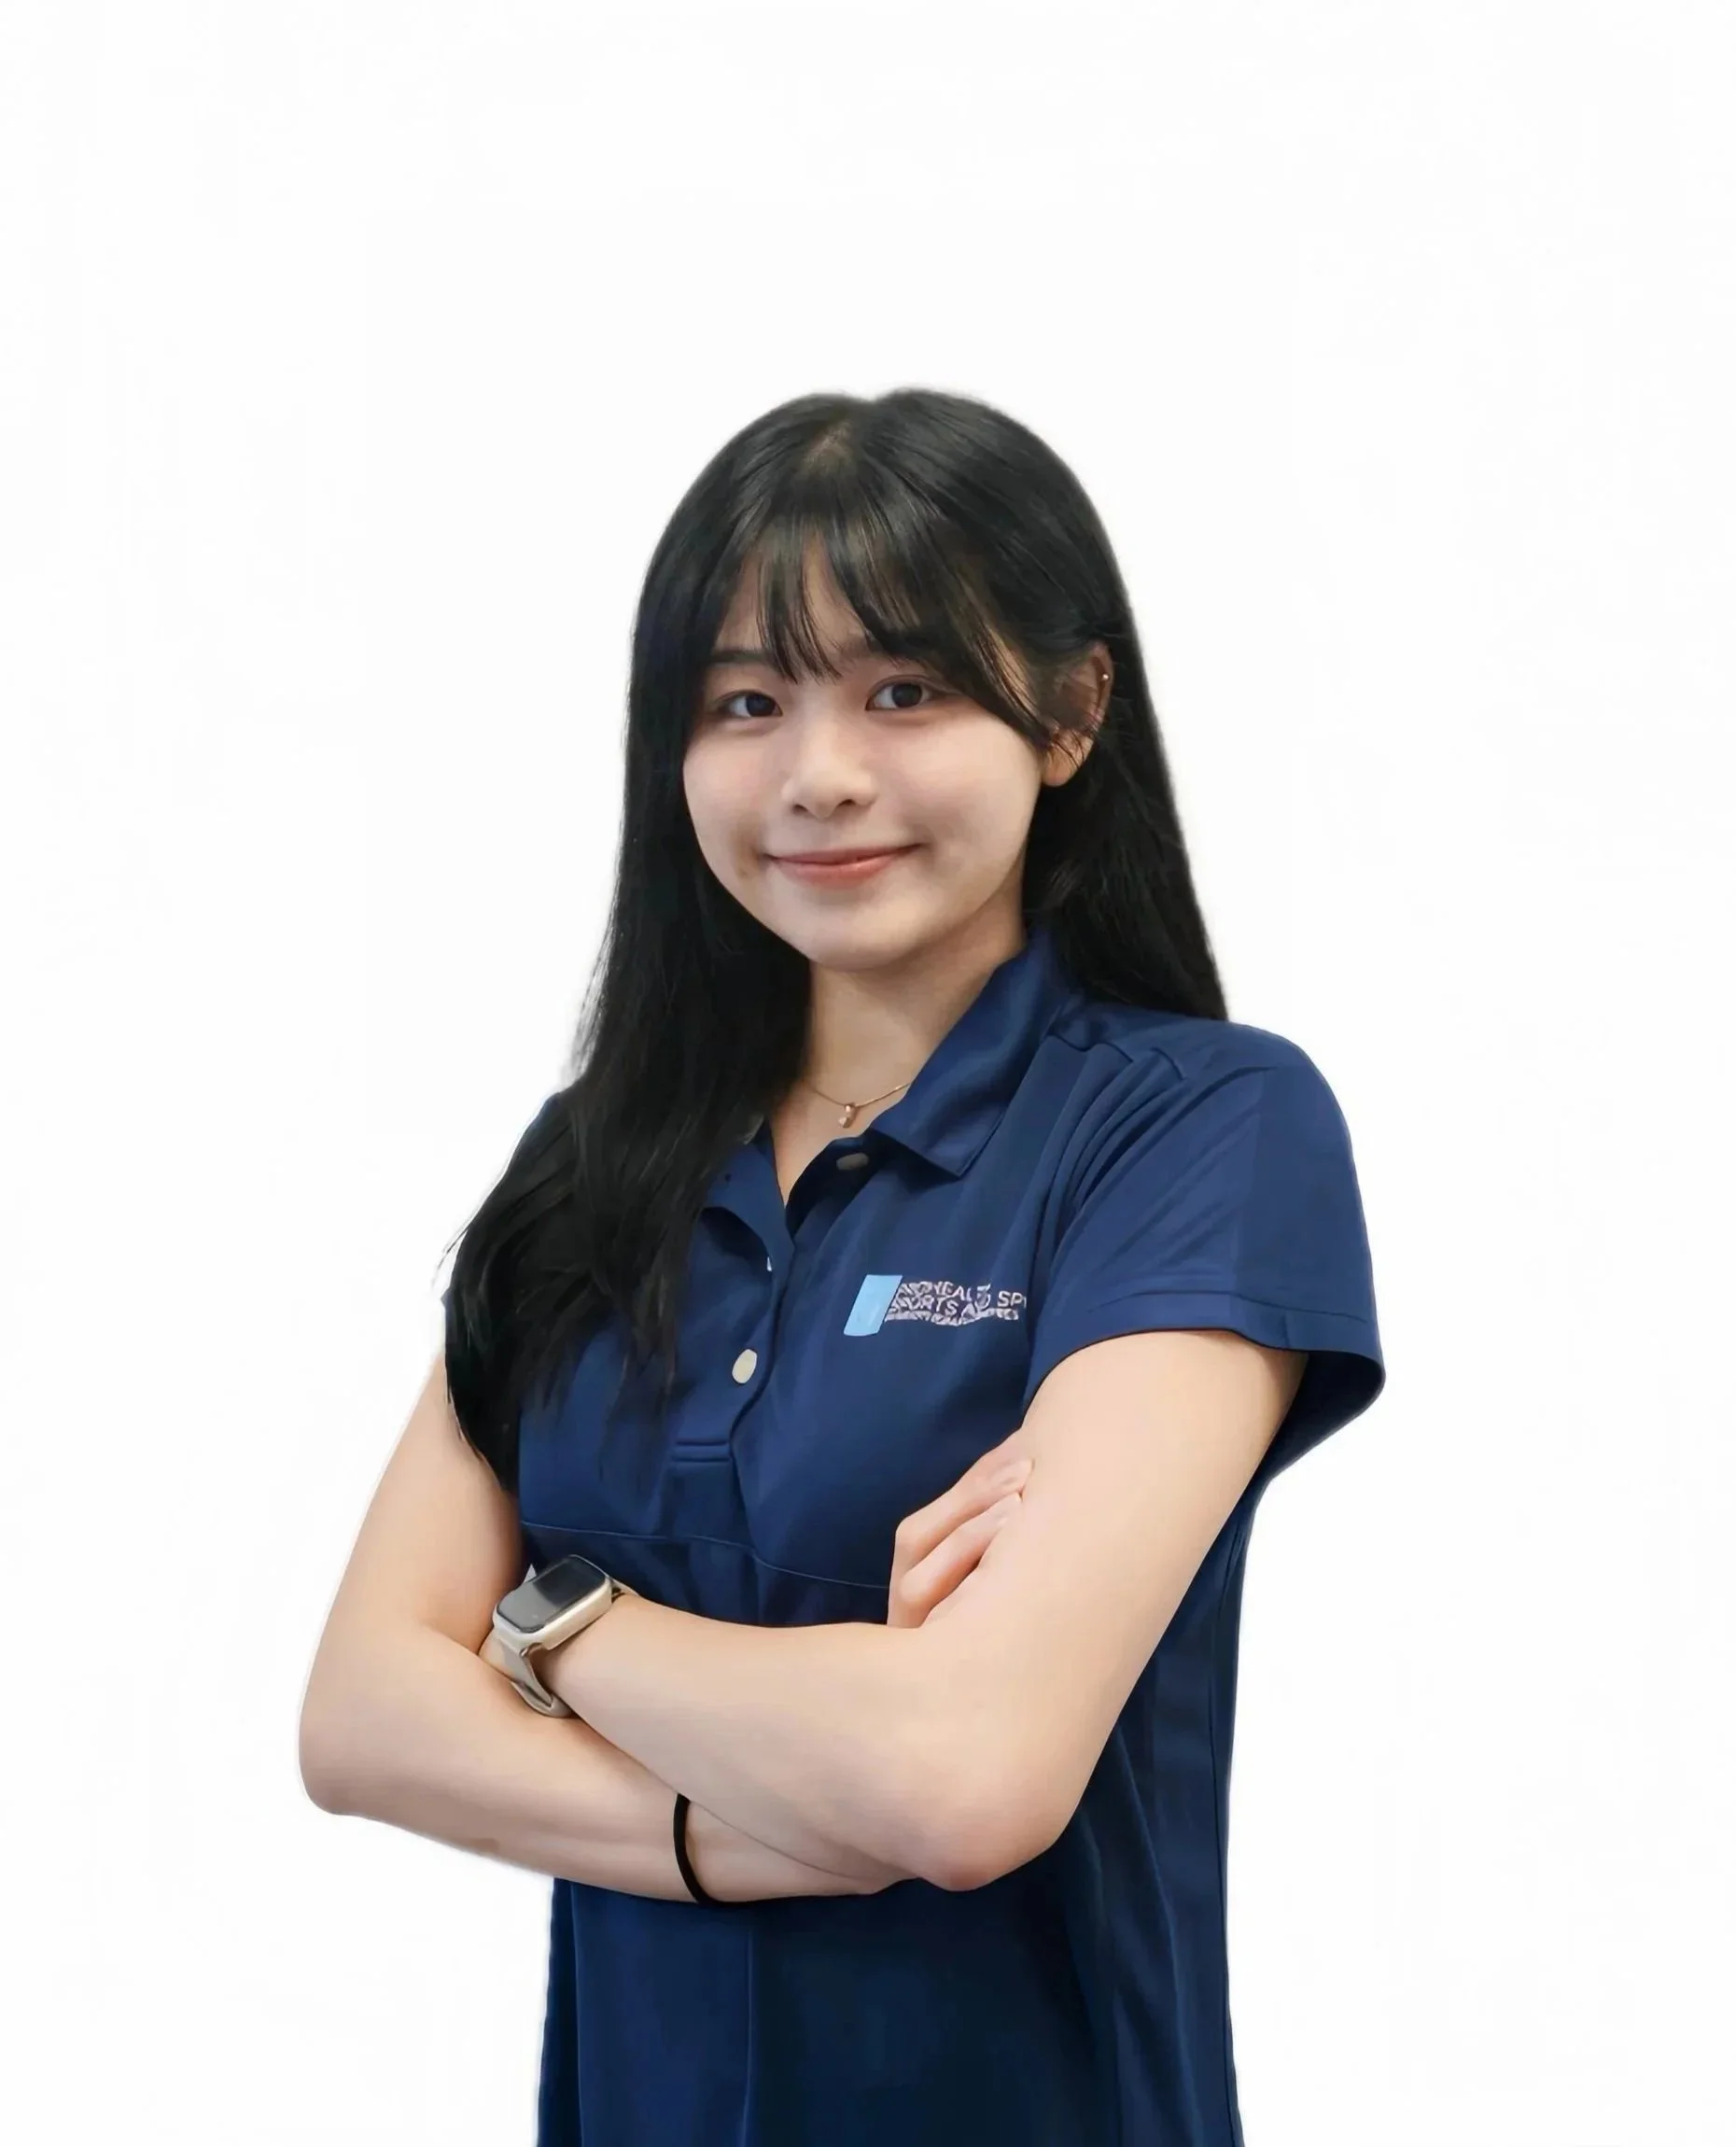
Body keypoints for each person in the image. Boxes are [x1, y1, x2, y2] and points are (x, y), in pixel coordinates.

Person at [304, 386, 1385, 2146]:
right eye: (746, 701)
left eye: (906, 689)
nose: (817, 772)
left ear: (1071, 710)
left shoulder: (1199, 1133)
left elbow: (964, 1780)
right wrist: (750, 1823)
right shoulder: (596, 1164)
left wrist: (551, 1629)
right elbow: (356, 1713)